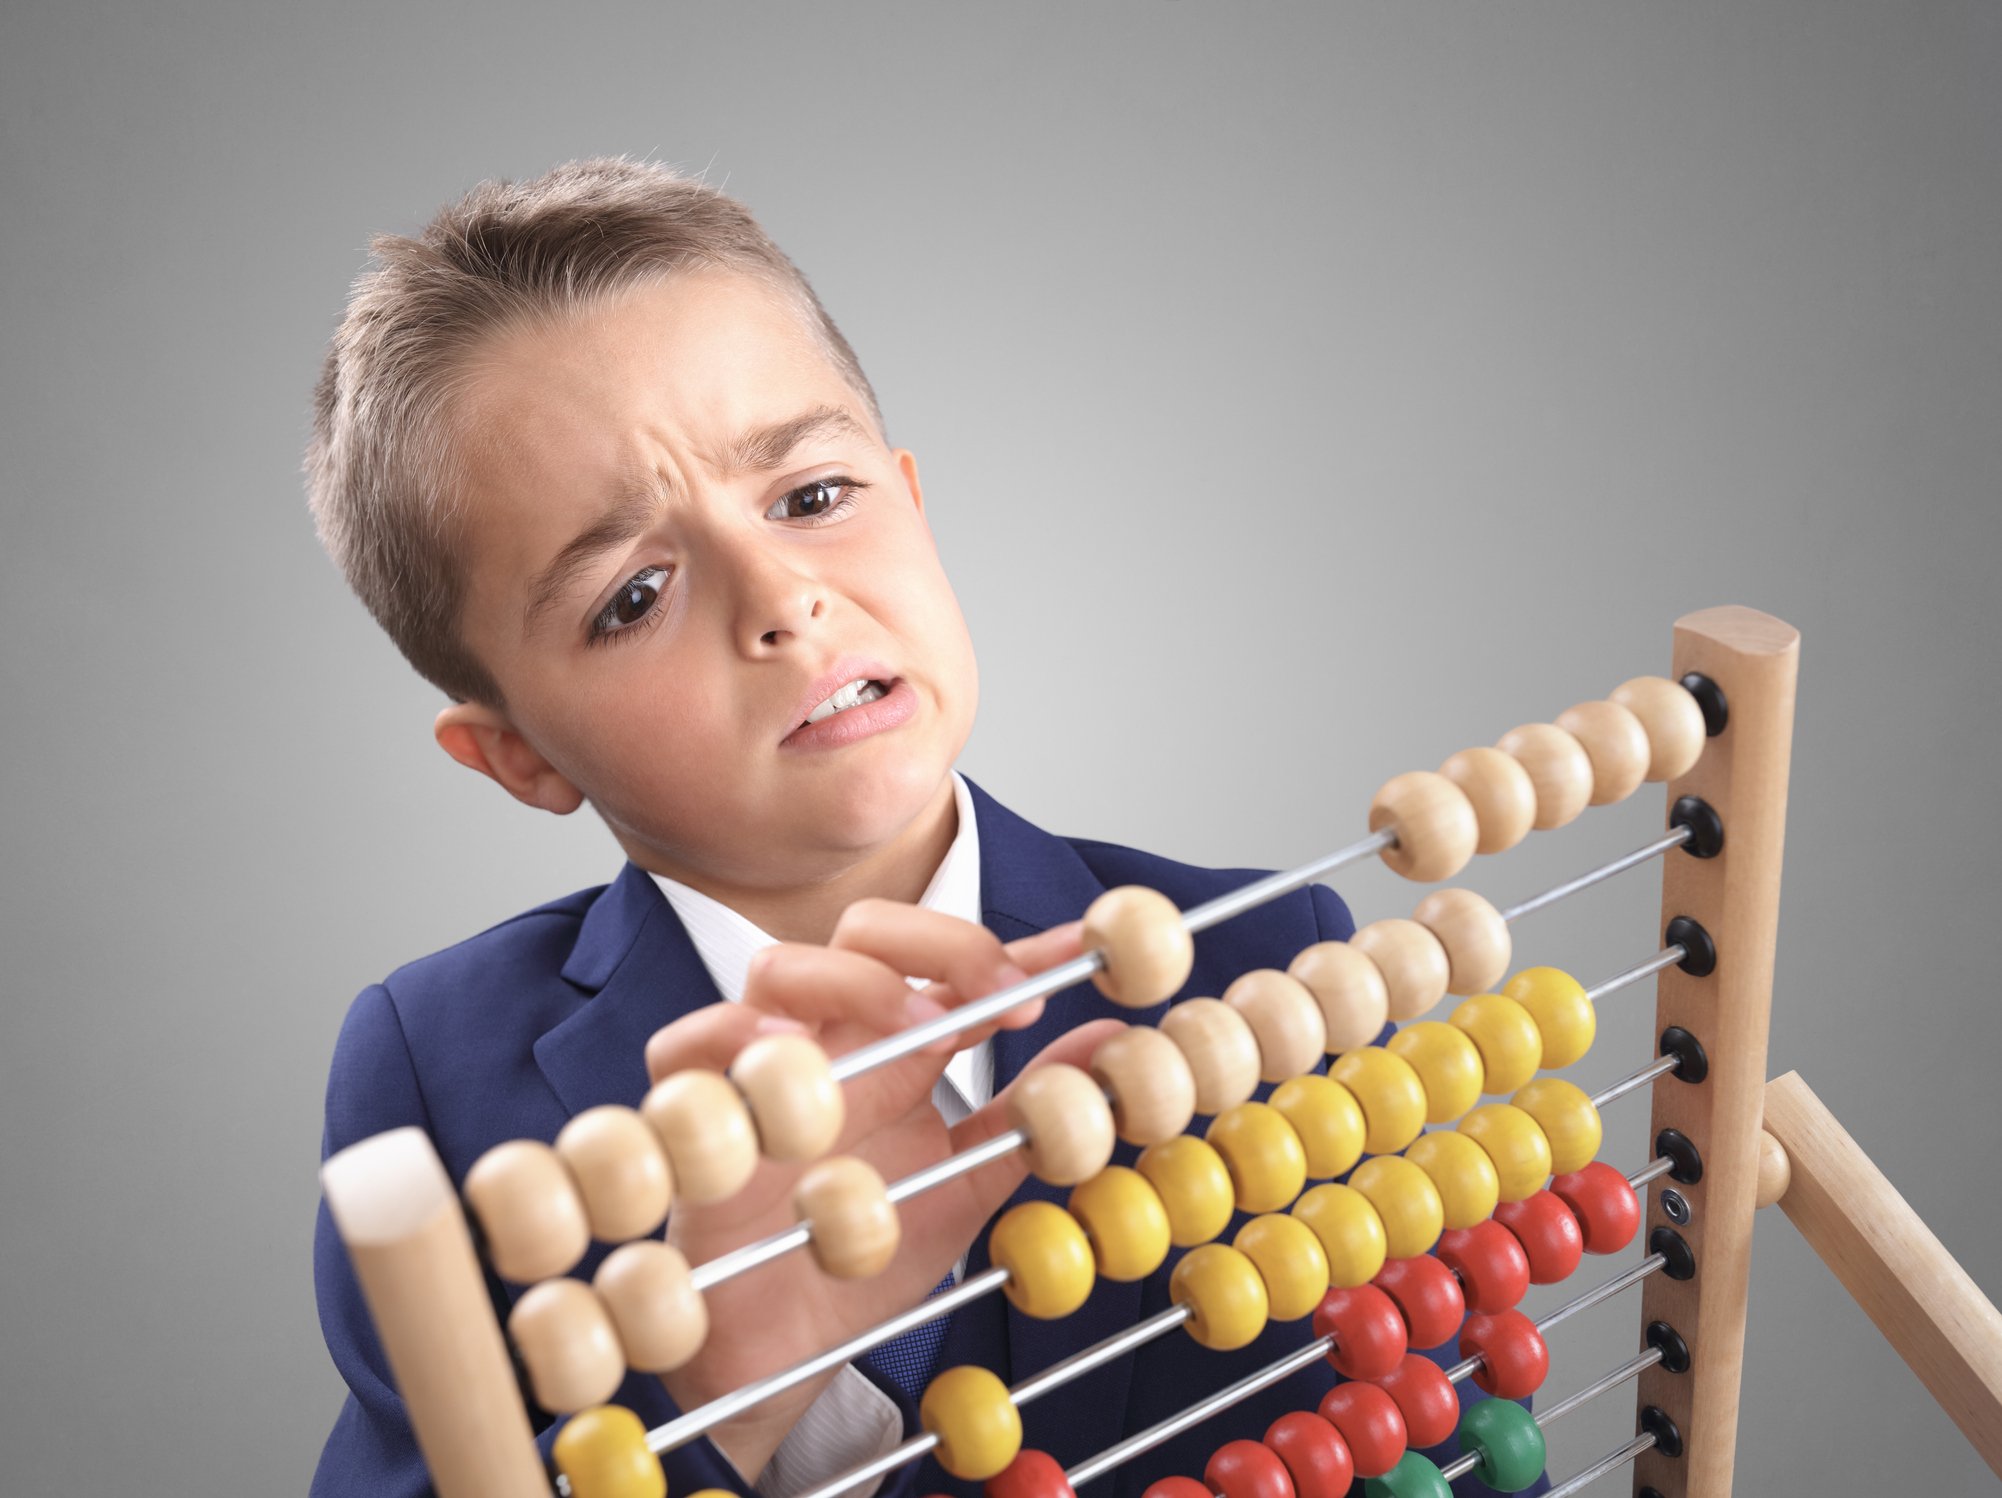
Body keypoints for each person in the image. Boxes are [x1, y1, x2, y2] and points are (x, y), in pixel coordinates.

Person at [305, 155, 1544, 1498]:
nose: (781, 598)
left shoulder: (1264, 969)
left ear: (914, 499)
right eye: (633, 592)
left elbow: (1438, 1441)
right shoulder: (438, 1083)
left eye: (812, 497)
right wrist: (713, 1389)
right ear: (516, 754)